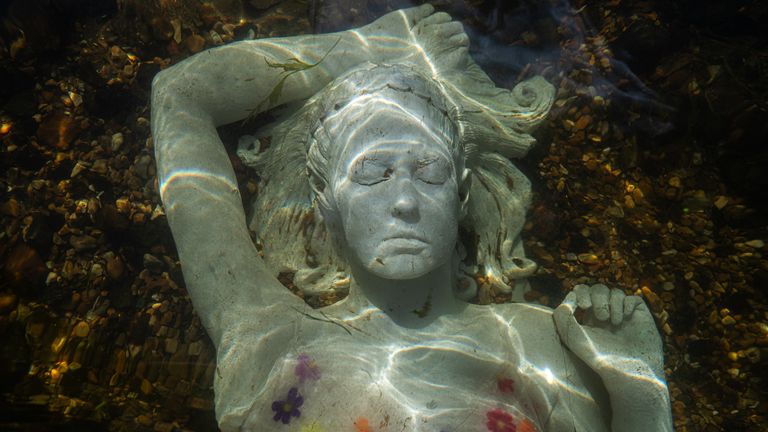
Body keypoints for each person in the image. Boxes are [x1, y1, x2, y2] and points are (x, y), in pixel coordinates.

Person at [151, 5, 672, 431]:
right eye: (372, 174)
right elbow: (180, 98)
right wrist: (362, 46)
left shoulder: (542, 343)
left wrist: (639, 388)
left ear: (462, 193)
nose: (404, 201)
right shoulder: (267, 334)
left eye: (428, 172)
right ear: (325, 198)